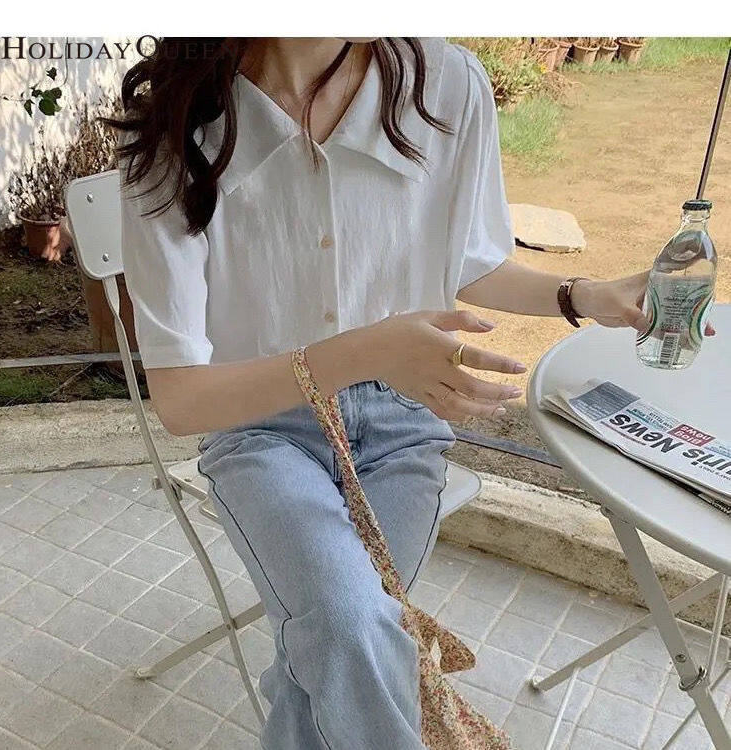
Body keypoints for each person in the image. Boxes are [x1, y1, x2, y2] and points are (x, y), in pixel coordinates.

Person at [113, 37, 665, 750]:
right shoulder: (178, 122)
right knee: (352, 627)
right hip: (260, 427)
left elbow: (463, 260)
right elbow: (183, 401)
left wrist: (581, 294)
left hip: (401, 424)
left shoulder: (448, 84)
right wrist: (369, 351)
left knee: (336, 645)